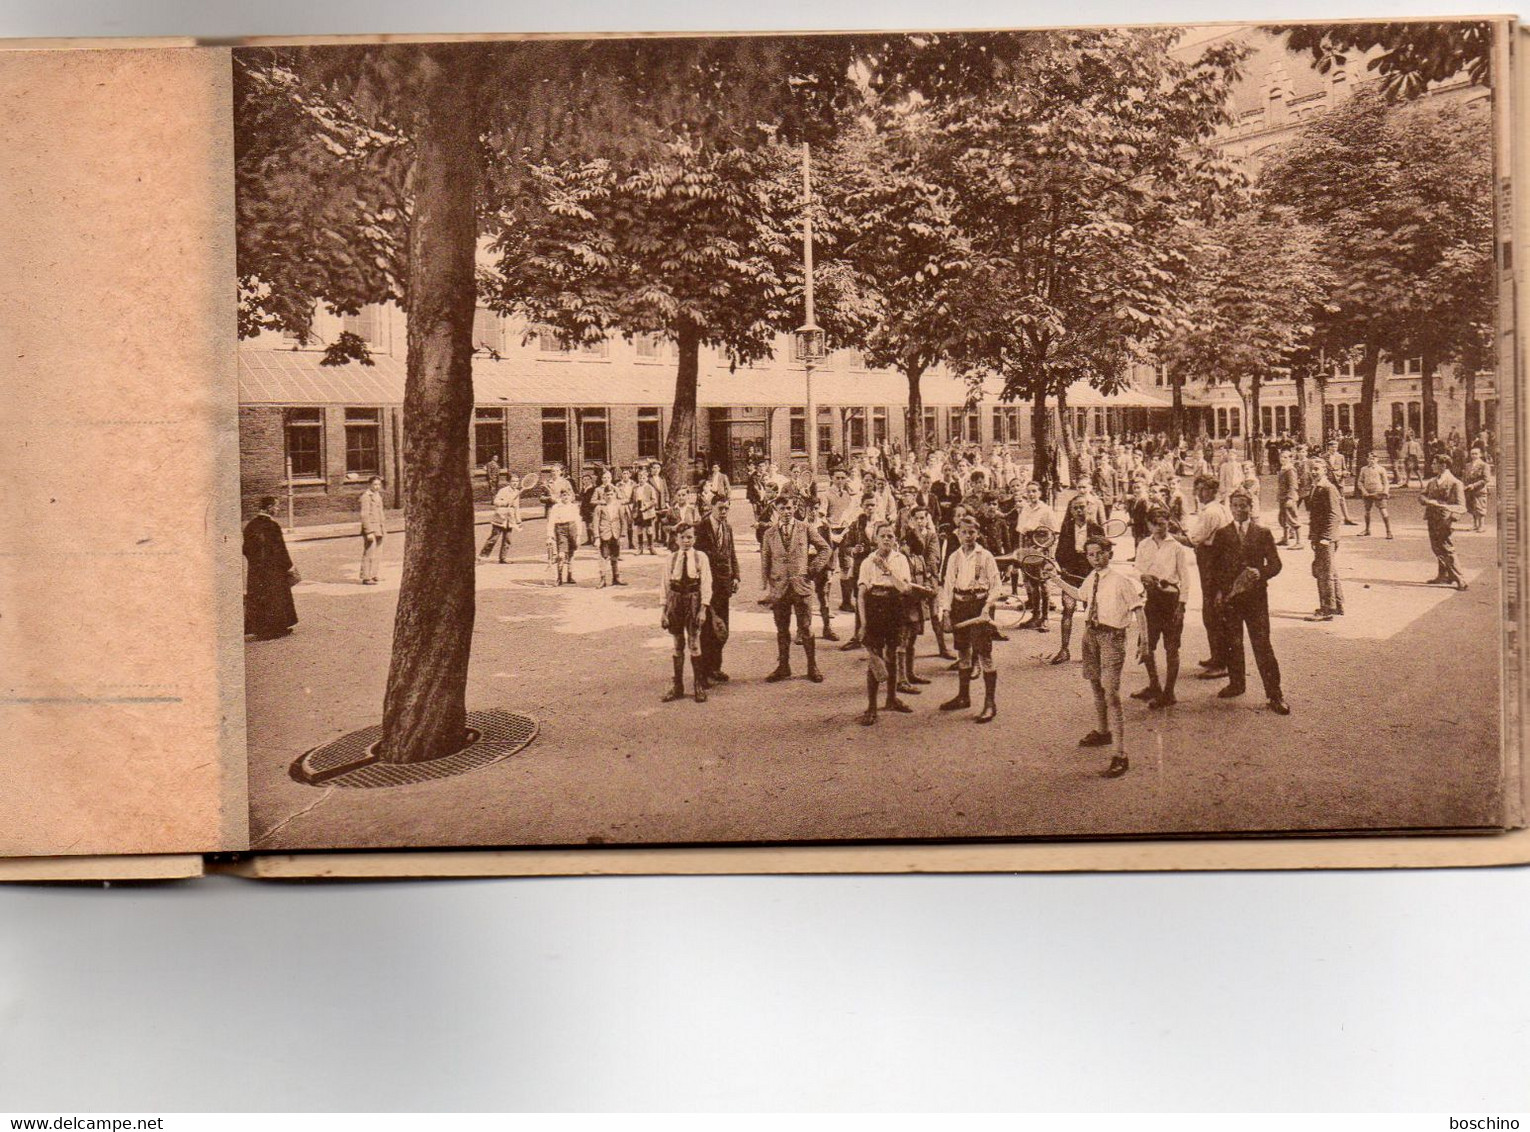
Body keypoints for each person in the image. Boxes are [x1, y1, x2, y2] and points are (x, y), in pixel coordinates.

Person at [1055, 535, 1146, 778]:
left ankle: (1120, 754)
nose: (1096, 558)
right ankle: (1103, 731)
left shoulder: (1121, 580)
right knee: (1095, 685)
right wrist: (1054, 579)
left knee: (1112, 693)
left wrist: (1144, 640)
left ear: (1110, 554)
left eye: (1100, 553)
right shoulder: (1092, 578)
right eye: (1091, 554)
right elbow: (1080, 595)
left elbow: (1138, 608)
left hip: (1112, 637)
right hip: (1091, 635)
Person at [1207, 488, 1290, 714]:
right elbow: (1214, 569)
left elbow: (1275, 564)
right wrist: (1218, 593)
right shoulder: (1222, 534)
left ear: (1251, 507)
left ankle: (1275, 694)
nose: (1240, 509)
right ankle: (1237, 684)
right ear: (1230, 508)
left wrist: (1260, 572)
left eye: (1244, 505)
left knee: (1262, 645)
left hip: (1256, 600)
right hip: (1231, 600)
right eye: (1235, 505)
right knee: (1233, 643)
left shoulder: (1262, 533)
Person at [938, 515, 1002, 723]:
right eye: (963, 532)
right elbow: (948, 585)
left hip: (979, 606)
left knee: (984, 655)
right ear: (958, 533)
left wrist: (987, 608)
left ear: (978, 533)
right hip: (959, 605)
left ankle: (990, 703)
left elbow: (996, 586)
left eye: (972, 532)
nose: (967, 536)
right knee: (963, 652)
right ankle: (963, 696)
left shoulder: (986, 556)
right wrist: (946, 612)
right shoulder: (954, 557)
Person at [760, 498, 828, 683]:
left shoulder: (805, 528)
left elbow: (825, 549)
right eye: (782, 508)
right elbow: (765, 559)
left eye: (789, 508)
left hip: (801, 586)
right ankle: (783, 667)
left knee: (806, 627)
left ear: (795, 508)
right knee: (782, 629)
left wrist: (812, 570)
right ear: (776, 509)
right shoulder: (769, 533)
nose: (786, 512)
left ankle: (812, 666)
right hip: (779, 588)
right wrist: (764, 586)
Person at [1133, 506, 1193, 709]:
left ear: (1169, 523)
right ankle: (1154, 685)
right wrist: (1142, 577)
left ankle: (1169, 692)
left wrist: (1182, 605)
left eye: (1164, 523)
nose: (1160, 528)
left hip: (1170, 599)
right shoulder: (1143, 545)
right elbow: (1137, 570)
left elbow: (1185, 577)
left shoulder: (1176, 547)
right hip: (1151, 599)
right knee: (1147, 645)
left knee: (1171, 647)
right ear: (1148, 525)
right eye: (1155, 524)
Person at [856, 523, 914, 724]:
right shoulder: (867, 562)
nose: (887, 539)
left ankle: (891, 698)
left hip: (894, 606)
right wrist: (863, 623)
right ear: (876, 539)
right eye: (883, 536)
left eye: (891, 536)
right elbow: (861, 596)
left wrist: (888, 571)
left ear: (895, 538)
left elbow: (904, 588)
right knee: (876, 657)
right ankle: (871, 707)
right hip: (875, 607)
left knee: (893, 653)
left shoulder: (901, 559)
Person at [1184, 475, 1233, 677]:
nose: (1198, 493)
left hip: (1214, 566)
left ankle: (1221, 664)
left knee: (1213, 614)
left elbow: (1194, 540)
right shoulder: (1217, 509)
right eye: (1197, 489)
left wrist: (1169, 535)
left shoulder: (1211, 512)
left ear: (1212, 491)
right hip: (1215, 564)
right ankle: (1217, 656)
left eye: (1202, 489)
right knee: (1213, 612)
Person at [659, 522, 712, 704]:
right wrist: (664, 611)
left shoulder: (701, 557)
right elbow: (664, 585)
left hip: (693, 601)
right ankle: (678, 686)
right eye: (682, 537)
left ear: (695, 538)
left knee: (694, 643)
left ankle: (698, 684)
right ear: (676, 539)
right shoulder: (671, 559)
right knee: (677, 643)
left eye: (690, 537)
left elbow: (706, 583)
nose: (686, 541)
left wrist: (703, 609)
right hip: (675, 601)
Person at [692, 493, 740, 683]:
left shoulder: (727, 527)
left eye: (727, 508)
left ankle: (715, 667)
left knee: (722, 628)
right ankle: (703, 673)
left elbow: (732, 553)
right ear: (712, 507)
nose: (723, 512)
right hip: (706, 586)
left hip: (724, 585)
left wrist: (736, 576)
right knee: (706, 630)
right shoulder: (701, 527)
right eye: (720, 508)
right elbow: (696, 557)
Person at [243, 496, 298, 640]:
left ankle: (260, 630)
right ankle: (277, 628)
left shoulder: (251, 525)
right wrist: (288, 566)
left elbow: (246, 549)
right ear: (269, 508)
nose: (278, 509)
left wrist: (255, 563)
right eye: (276, 506)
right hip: (273, 569)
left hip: (256, 570)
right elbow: (280, 549)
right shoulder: (273, 526)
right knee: (276, 597)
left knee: (259, 597)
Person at [1013, 480, 1057, 631]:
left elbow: (1053, 533)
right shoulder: (1025, 510)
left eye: (1034, 491)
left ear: (1040, 493)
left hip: (1041, 547)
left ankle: (1045, 618)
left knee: (1043, 582)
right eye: (1029, 491)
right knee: (1032, 583)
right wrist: (1020, 552)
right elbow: (1021, 532)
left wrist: (1046, 551)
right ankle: (1035, 615)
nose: (1031, 495)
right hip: (1027, 547)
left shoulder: (1046, 510)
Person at [1421, 455, 1469, 589]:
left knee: (1446, 548)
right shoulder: (1432, 481)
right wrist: (1427, 501)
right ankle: (1443, 576)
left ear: (1444, 465)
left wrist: (1452, 519)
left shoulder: (1455, 483)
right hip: (1432, 517)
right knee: (1436, 547)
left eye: (1435, 463)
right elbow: (1422, 495)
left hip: (1445, 519)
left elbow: (1461, 507)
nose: (1432, 466)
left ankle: (1460, 579)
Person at [1306, 460, 1345, 620]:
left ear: (1325, 470)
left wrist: (1325, 538)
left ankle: (1327, 609)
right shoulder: (1317, 487)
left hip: (1326, 538)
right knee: (1329, 571)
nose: (1313, 472)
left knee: (1324, 573)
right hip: (1320, 536)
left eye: (1317, 469)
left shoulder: (1328, 488)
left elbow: (1334, 515)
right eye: (1312, 469)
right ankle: (1338, 604)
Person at [478, 475, 522, 565]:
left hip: (510, 519)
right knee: (493, 539)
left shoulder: (517, 492)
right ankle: (481, 557)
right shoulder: (503, 491)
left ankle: (503, 558)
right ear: (509, 482)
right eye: (513, 481)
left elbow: (517, 507)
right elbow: (496, 502)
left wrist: (518, 520)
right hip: (500, 518)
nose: (515, 483)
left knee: (507, 539)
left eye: (517, 481)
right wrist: (505, 503)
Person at [545, 487, 584, 586]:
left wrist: (579, 535)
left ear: (571, 497)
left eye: (567, 495)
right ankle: (559, 577)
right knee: (561, 554)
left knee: (571, 554)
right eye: (563, 495)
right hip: (560, 529)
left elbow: (578, 521)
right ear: (561, 496)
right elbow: (551, 521)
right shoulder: (556, 507)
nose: (566, 497)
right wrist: (549, 536)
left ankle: (570, 575)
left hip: (572, 529)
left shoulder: (574, 507)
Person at [1356, 451, 1393, 539]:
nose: (1371, 460)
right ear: (1367, 459)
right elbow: (1360, 481)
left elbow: (1386, 482)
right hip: (1367, 493)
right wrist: (1363, 491)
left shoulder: (1381, 469)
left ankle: (1388, 531)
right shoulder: (1364, 469)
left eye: (1374, 458)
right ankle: (1367, 529)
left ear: (1377, 459)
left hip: (1378, 492)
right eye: (1370, 458)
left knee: (1383, 510)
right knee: (1367, 511)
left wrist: (1385, 492)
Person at [593, 492, 626, 587]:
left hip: (616, 534)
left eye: (611, 494)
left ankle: (616, 578)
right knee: (603, 557)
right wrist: (597, 537)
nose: (609, 496)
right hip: (604, 534)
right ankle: (603, 579)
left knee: (615, 556)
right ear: (604, 496)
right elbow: (595, 523)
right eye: (607, 494)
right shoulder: (599, 508)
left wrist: (622, 535)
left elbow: (623, 521)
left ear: (615, 495)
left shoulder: (619, 507)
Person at [359, 475, 385, 584]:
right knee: (369, 552)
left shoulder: (377, 495)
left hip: (379, 527)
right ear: (369, 485)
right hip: (371, 529)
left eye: (379, 484)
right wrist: (368, 531)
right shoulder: (366, 497)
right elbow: (364, 515)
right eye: (375, 484)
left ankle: (374, 574)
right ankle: (366, 577)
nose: (377, 486)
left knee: (377, 552)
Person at [632, 467, 659, 555]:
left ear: (647, 478)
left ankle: (651, 547)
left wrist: (646, 506)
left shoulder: (650, 488)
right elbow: (631, 499)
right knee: (639, 529)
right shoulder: (635, 488)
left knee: (649, 529)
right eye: (640, 477)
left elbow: (654, 500)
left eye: (643, 478)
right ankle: (640, 548)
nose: (641, 479)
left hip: (647, 510)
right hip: (638, 509)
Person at [1462, 448, 1490, 532]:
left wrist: (1474, 485)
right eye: (1472, 454)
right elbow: (1465, 477)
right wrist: (1465, 485)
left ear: (1480, 454)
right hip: (1469, 490)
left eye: (1475, 454)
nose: (1473, 456)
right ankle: (1475, 524)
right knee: (1472, 507)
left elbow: (1486, 479)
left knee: (1480, 507)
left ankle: (1482, 525)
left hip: (1479, 490)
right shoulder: (1468, 465)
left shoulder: (1484, 465)